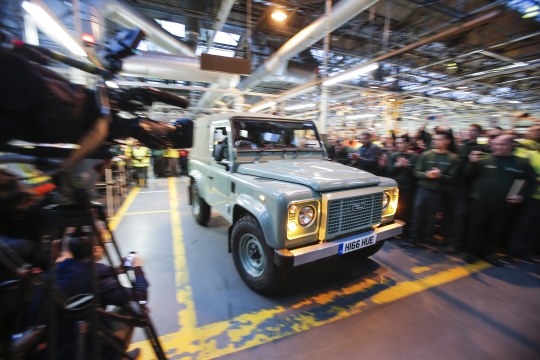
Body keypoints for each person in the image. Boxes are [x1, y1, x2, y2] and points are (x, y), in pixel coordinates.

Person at [35, 227, 148, 359]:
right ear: (96, 249)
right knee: (136, 310)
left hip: (49, 346)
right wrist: (137, 268)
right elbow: (140, 297)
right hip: (76, 347)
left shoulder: (58, 268)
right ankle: (115, 355)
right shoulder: (97, 275)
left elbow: (83, 276)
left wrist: (118, 269)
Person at [465, 134, 536, 265]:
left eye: (502, 144)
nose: (497, 147)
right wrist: (471, 163)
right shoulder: (484, 160)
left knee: (495, 230)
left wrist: (522, 196)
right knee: (475, 227)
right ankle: (472, 252)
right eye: (495, 144)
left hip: (504, 204)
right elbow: (468, 176)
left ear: (511, 146)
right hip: (480, 202)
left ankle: (489, 254)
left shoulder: (522, 163)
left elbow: (531, 184)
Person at [408, 131, 460, 249]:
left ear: (448, 141)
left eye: (440, 139)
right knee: (417, 216)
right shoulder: (426, 155)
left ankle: (427, 240)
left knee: (431, 218)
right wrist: (427, 175)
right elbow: (416, 172)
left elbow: (453, 178)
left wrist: (440, 175)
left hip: (438, 192)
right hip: (422, 190)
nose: (436, 141)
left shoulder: (453, 158)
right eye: (435, 139)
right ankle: (413, 240)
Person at [387, 135, 417, 238]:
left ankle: (403, 232)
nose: (399, 145)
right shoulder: (393, 156)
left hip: (408, 188)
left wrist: (407, 166)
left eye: (401, 143)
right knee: (392, 210)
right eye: (398, 143)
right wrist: (397, 166)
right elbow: (389, 171)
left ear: (408, 144)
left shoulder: (414, 157)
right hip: (395, 187)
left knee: (405, 211)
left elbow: (416, 173)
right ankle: (391, 231)